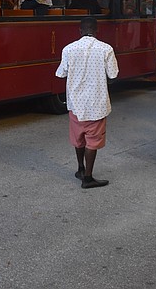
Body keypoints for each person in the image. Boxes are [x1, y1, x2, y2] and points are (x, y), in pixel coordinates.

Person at [55, 17, 119, 189]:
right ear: (97, 31)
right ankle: (88, 178)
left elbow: (61, 73)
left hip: (76, 104)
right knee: (92, 140)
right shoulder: (106, 49)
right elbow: (113, 75)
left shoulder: (68, 49)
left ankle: (80, 169)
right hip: (97, 104)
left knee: (79, 138)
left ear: (80, 30)